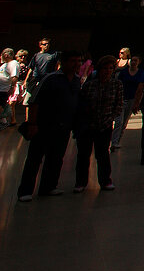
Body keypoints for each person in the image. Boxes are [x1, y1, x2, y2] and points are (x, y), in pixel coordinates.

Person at [17, 50, 82, 201]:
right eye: (73, 61)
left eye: (79, 61)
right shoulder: (51, 79)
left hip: (63, 127)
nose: (77, 64)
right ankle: (25, 190)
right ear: (63, 62)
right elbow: (35, 102)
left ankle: (48, 186)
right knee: (35, 159)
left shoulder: (76, 80)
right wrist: (32, 124)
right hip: (44, 125)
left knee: (56, 158)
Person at [74, 55, 123, 192]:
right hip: (88, 125)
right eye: (105, 68)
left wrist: (110, 118)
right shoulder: (90, 85)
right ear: (99, 69)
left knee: (102, 155)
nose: (107, 71)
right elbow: (82, 103)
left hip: (105, 125)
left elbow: (118, 105)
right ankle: (80, 182)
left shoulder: (116, 85)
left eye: (110, 68)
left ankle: (105, 181)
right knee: (83, 154)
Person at [111, 54, 142, 151]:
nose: (133, 62)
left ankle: (117, 140)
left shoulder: (140, 73)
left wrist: (137, 102)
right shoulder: (124, 72)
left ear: (139, 62)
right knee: (119, 121)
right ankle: (114, 142)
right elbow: (117, 84)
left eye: (135, 61)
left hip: (132, 99)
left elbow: (140, 88)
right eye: (132, 60)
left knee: (124, 122)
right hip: (122, 99)